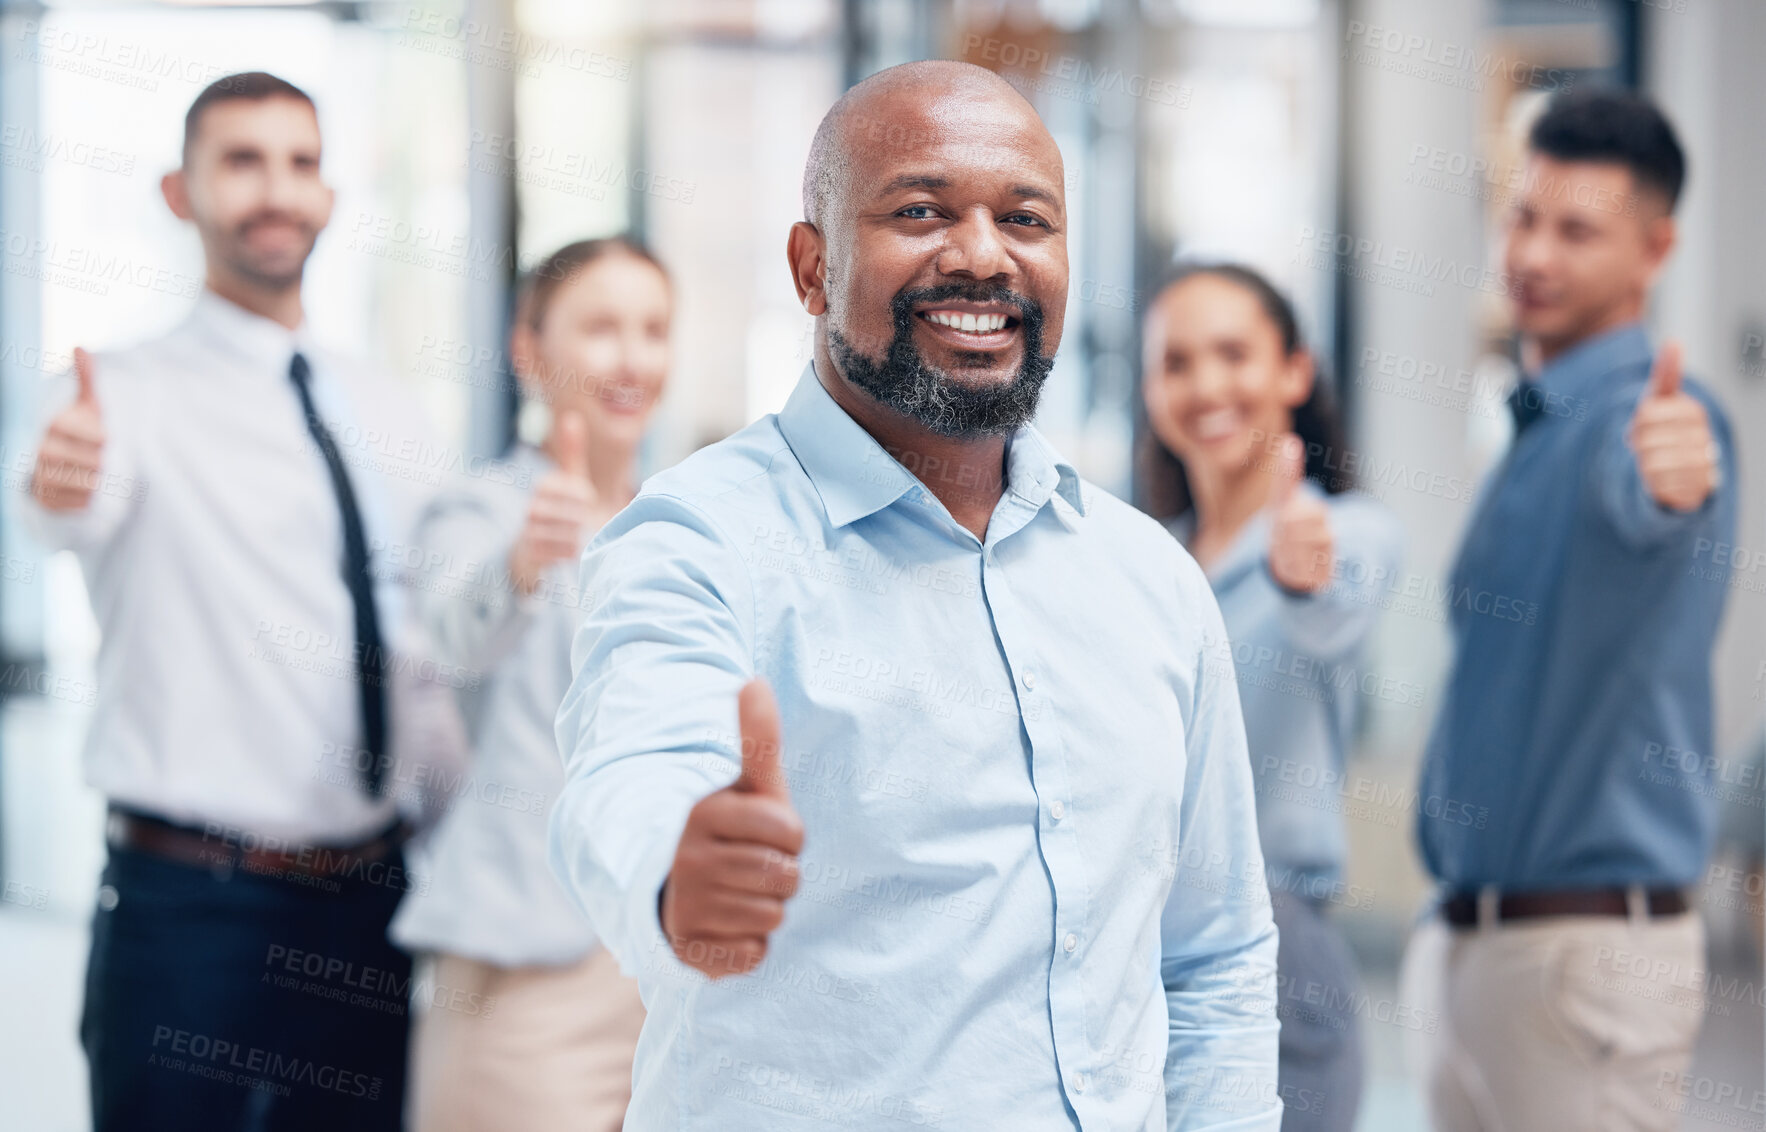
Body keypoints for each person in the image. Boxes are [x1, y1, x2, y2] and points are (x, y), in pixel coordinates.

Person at [548, 60, 1280, 1131]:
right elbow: (631, 766)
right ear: (811, 266)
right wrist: (673, 873)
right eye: (921, 210)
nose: (981, 255)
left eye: (1024, 218)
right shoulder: (699, 537)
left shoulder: (1148, 579)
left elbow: (1212, 957)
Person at [25, 72, 449, 1130]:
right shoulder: (110, 396)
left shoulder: (387, 406)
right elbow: (62, 510)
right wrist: (58, 484)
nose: (277, 190)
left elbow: (423, 638)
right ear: (181, 192)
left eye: (300, 162)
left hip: (366, 905)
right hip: (190, 909)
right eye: (241, 161)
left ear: (330, 195)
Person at [1405, 88, 1738, 1131]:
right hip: (1473, 950)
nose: (1533, 255)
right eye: (1521, 215)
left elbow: (1656, 492)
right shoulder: (1536, 422)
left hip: (1585, 965)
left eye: (1576, 230)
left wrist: (1672, 480)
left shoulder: (1646, 420)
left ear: (1655, 247)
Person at [389, 238, 669, 1131]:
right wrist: (520, 563)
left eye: (654, 329)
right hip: (524, 982)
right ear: (528, 354)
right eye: (600, 328)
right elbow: (451, 635)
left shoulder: (681, 526)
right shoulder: (483, 511)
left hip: (667, 979)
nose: (633, 357)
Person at [1140, 263, 1401, 1132]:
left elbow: (1336, 606)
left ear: (1295, 371)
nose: (1206, 384)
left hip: (1273, 941)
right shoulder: (1149, 561)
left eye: (1233, 354)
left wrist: (1305, 575)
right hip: (1144, 946)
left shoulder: (1344, 532)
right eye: (1176, 363)